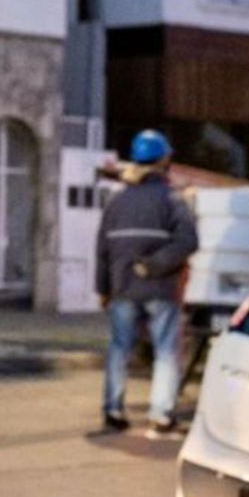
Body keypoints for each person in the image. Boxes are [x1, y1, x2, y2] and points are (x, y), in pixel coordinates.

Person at [95, 128, 198, 439]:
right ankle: (160, 417)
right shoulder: (172, 199)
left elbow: (102, 249)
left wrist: (103, 289)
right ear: (164, 160)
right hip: (160, 290)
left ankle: (113, 411)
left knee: (119, 349)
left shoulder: (116, 201)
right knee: (166, 352)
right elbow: (188, 241)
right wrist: (153, 266)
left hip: (122, 289)